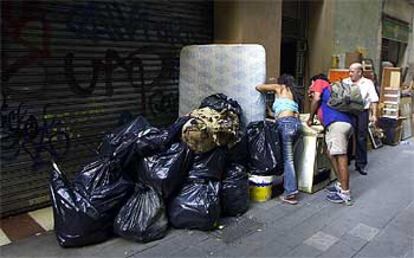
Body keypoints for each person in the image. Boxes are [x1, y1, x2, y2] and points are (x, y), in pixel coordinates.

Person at [307, 74, 354, 204]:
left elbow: (316, 98)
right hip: (343, 124)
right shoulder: (329, 96)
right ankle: (340, 184)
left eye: (310, 84)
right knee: (330, 153)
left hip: (338, 125)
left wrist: (310, 118)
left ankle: (345, 193)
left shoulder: (320, 82)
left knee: (340, 156)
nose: (310, 88)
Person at [256, 74, 302, 205]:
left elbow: (259, 87)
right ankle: (288, 185)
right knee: (288, 158)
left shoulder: (280, 87)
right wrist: (268, 110)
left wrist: (268, 88)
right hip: (296, 125)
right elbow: (279, 113)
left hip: (286, 125)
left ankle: (290, 192)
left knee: (288, 159)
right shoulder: (292, 94)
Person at [343, 63, 379, 175]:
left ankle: (361, 164)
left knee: (361, 138)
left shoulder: (368, 83)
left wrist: (374, 115)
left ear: (359, 72)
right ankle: (346, 161)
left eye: (352, 72)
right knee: (346, 136)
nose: (350, 74)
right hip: (348, 112)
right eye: (349, 71)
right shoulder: (345, 82)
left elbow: (373, 100)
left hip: (362, 112)